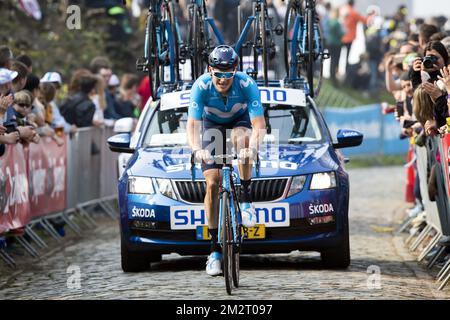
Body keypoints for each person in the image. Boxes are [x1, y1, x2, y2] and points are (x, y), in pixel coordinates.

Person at [186, 45, 266, 276]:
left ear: (235, 71)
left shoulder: (246, 85)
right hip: (211, 125)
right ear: (210, 70)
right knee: (212, 183)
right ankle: (214, 251)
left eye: (228, 74)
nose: (222, 79)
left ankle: (245, 195)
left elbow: (259, 124)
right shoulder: (200, 86)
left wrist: (253, 149)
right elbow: (193, 125)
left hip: (239, 121)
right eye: (218, 74)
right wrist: (197, 149)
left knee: (242, 140)